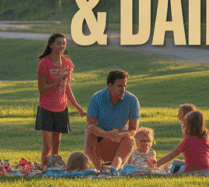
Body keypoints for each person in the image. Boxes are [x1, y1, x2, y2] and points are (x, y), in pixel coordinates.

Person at [35, 33, 86, 166]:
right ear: (51, 45)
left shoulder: (67, 63)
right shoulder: (44, 63)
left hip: (61, 108)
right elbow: (42, 89)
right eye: (58, 43)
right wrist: (57, 81)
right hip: (46, 108)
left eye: (64, 43)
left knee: (56, 148)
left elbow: (67, 88)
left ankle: (54, 169)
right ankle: (44, 169)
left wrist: (77, 106)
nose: (61, 46)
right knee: (47, 146)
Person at [85, 69, 142, 172]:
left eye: (124, 86)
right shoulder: (96, 98)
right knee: (89, 132)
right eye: (119, 86)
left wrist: (120, 135)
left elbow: (134, 130)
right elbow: (90, 126)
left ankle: (114, 169)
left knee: (131, 138)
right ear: (109, 85)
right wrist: (107, 134)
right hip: (100, 140)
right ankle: (100, 170)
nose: (123, 89)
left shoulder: (132, 100)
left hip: (119, 141)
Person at [157, 110, 209, 176]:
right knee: (178, 163)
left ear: (188, 125)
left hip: (194, 172)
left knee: (168, 174)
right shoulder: (206, 138)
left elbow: (172, 155)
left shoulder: (188, 140)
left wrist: (156, 165)